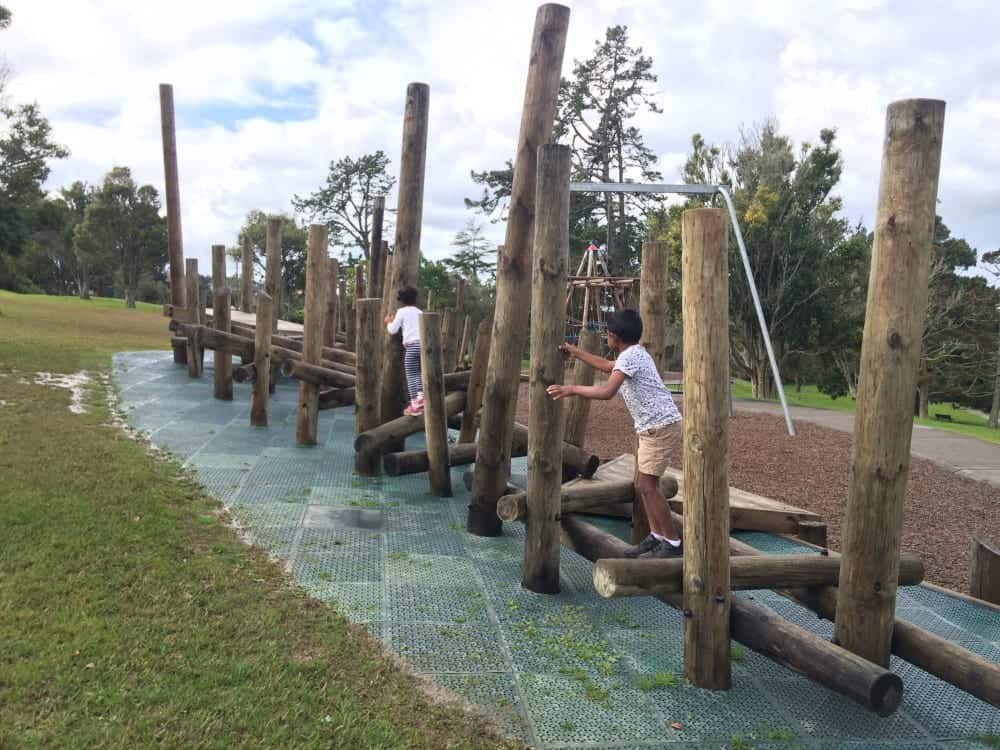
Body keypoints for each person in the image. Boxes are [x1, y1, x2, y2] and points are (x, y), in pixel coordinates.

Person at [547, 309, 683, 558]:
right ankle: (656, 536)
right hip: (654, 427)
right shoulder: (634, 353)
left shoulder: (630, 357)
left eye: (607, 334)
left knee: (649, 487)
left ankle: (672, 542)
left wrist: (572, 388)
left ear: (613, 336)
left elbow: (607, 392)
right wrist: (576, 353)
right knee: (645, 485)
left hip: (660, 427)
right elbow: (607, 365)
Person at [383, 287, 424, 416]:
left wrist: (388, 322)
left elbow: (393, 330)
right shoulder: (420, 312)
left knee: (411, 374)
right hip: (423, 345)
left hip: (412, 346)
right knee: (417, 372)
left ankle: (415, 405)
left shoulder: (401, 312)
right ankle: (420, 396)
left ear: (401, 301)